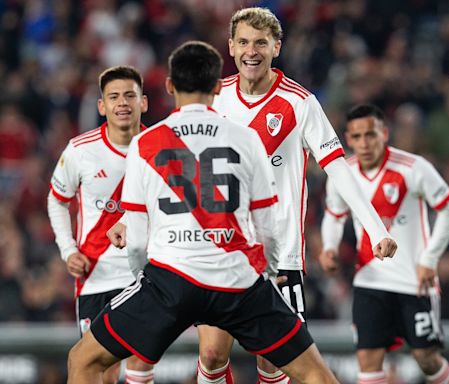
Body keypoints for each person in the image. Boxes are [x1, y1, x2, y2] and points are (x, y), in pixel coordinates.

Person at [107, 7, 396, 384]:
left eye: (261, 42)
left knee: (273, 365)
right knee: (211, 355)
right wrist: (131, 216)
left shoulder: (299, 103)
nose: (251, 50)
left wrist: (376, 229)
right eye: (243, 41)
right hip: (219, 252)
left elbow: (338, 167)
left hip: (278, 256)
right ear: (230, 46)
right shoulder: (214, 96)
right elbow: (170, 156)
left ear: (277, 46)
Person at [67, 40, 341, 384]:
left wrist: (146, 283)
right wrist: (266, 272)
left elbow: (136, 239)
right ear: (216, 87)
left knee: (83, 359)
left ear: (169, 86)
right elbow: (267, 224)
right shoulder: (245, 138)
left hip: (171, 279)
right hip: (237, 279)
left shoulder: (147, 143)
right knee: (316, 375)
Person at [319, 104, 449, 384]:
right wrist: (330, 247)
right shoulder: (342, 173)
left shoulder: (413, 168)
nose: (364, 143)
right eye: (357, 137)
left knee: (426, 359)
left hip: (414, 281)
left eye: (370, 135)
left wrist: (429, 259)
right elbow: (334, 215)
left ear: (384, 134)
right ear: (348, 139)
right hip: (369, 281)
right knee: (368, 360)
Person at [47, 65, 154, 384]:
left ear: (143, 102)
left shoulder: (159, 148)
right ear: (101, 106)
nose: (122, 103)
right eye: (114, 97)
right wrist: (68, 251)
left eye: (129, 96)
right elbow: (57, 200)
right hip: (96, 276)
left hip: (147, 275)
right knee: (101, 371)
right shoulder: (80, 151)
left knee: (140, 364)